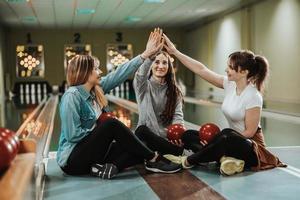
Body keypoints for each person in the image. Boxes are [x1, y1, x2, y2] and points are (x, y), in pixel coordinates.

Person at [56, 30, 181, 180]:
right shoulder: (72, 96)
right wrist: (102, 132)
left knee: (139, 140)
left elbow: (120, 73)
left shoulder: (96, 91)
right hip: (73, 161)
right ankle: (154, 159)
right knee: (111, 125)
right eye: (96, 68)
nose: (100, 71)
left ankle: (109, 167)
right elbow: (73, 135)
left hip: (92, 156)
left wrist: (145, 55)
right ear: (86, 73)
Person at [163, 33, 286, 175]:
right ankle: (225, 158)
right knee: (189, 135)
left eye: (230, 67)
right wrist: (174, 52)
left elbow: (250, 132)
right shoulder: (229, 84)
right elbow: (201, 69)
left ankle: (187, 161)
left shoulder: (253, 96)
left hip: (252, 148)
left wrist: (218, 141)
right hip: (230, 141)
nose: (226, 70)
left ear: (244, 72)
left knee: (226, 134)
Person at [133, 49, 185, 156]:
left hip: (167, 138)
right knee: (141, 131)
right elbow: (140, 75)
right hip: (147, 137)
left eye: (164, 63)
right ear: (151, 65)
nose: (160, 66)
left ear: (169, 66)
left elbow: (178, 117)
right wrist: (150, 56)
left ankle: (171, 150)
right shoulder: (143, 86)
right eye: (156, 62)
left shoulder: (175, 91)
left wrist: (177, 136)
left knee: (190, 135)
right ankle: (179, 153)